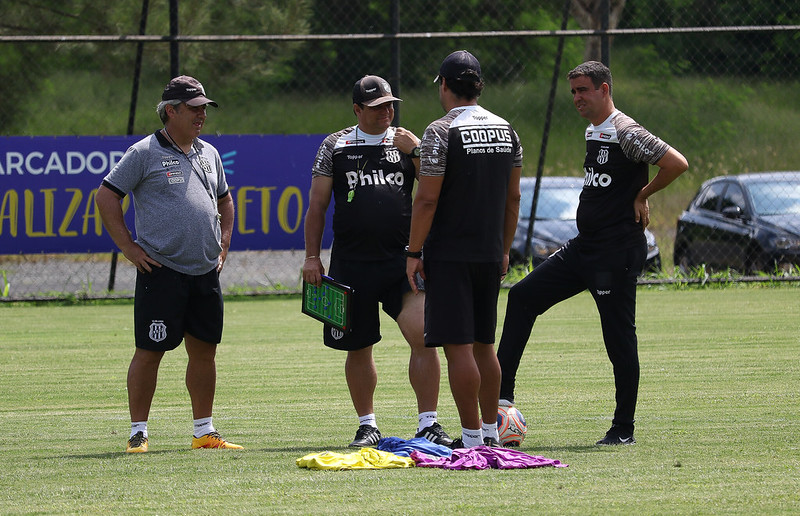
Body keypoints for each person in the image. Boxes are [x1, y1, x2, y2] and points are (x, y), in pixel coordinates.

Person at [496, 61, 689, 445]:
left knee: (618, 338)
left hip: (615, 253)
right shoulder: (593, 130)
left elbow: (676, 163)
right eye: (573, 92)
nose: (577, 98)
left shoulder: (625, 131)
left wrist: (643, 194)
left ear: (604, 89)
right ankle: (500, 401)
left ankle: (622, 429)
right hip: (585, 247)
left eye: (583, 90)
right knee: (522, 297)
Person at [302, 75, 452, 448]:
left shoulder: (406, 142)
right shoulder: (335, 145)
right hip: (351, 264)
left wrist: (416, 151)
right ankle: (367, 425)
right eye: (376, 107)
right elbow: (317, 206)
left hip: (401, 261)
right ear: (357, 109)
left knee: (423, 336)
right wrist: (312, 257)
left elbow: (438, 190)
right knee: (359, 346)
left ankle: (428, 423)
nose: (386, 112)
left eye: (389, 105)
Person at [96, 75, 242, 453]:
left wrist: (223, 245)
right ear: (171, 111)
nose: (201, 115)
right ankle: (138, 432)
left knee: (205, 351)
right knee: (150, 351)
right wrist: (128, 247)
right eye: (194, 109)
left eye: (204, 109)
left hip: (205, 270)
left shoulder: (209, 153)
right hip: (160, 270)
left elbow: (225, 201)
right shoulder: (144, 152)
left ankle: (204, 431)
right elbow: (106, 196)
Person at [406, 50, 523, 449]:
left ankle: (472, 439)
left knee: (459, 349)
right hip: (489, 252)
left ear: (444, 85)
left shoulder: (441, 131)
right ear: (478, 86)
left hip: (451, 253)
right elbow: (513, 198)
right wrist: (504, 249)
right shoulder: (507, 130)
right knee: (485, 346)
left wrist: (413, 252)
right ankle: (491, 433)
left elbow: (426, 199)